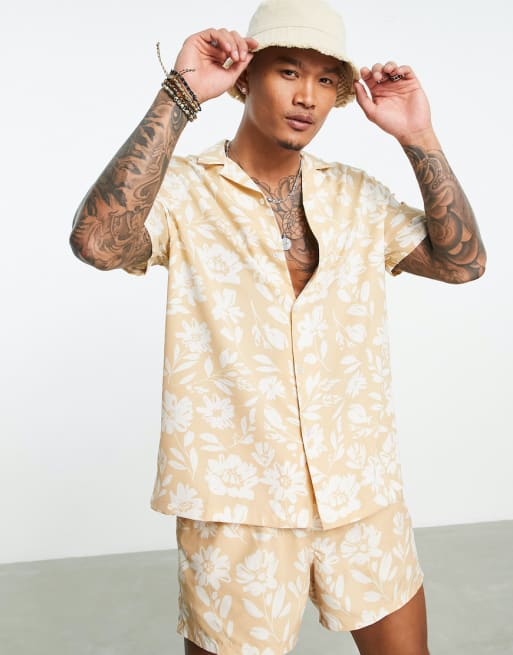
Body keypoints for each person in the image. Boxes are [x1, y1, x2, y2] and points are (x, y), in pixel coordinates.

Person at [69, 0, 486, 653]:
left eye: (325, 80)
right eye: (288, 71)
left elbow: (463, 263)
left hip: (359, 488)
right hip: (237, 502)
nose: (307, 97)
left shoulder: (357, 196)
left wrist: (418, 136)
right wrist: (180, 92)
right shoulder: (184, 191)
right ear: (245, 76)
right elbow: (97, 242)